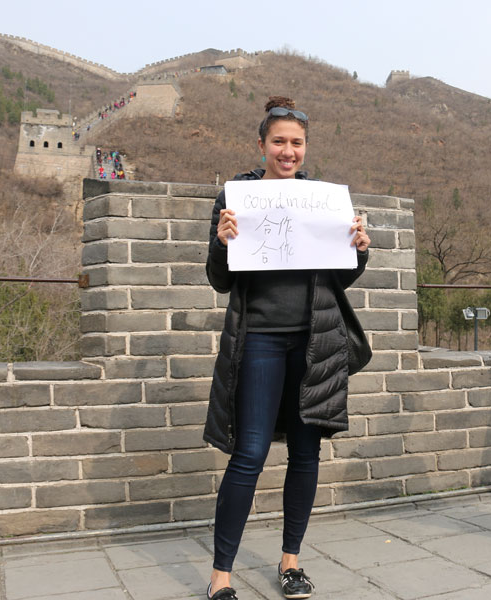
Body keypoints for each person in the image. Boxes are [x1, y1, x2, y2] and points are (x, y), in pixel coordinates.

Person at [204, 96, 371, 600]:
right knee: (249, 454)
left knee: (305, 453)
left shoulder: (321, 200)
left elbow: (340, 276)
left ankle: (291, 563)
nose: (288, 151)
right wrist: (221, 241)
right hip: (258, 339)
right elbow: (218, 280)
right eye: (279, 141)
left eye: (296, 143)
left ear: (305, 148)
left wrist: (359, 249)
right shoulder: (237, 197)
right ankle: (221, 576)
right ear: (261, 145)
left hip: (315, 341)